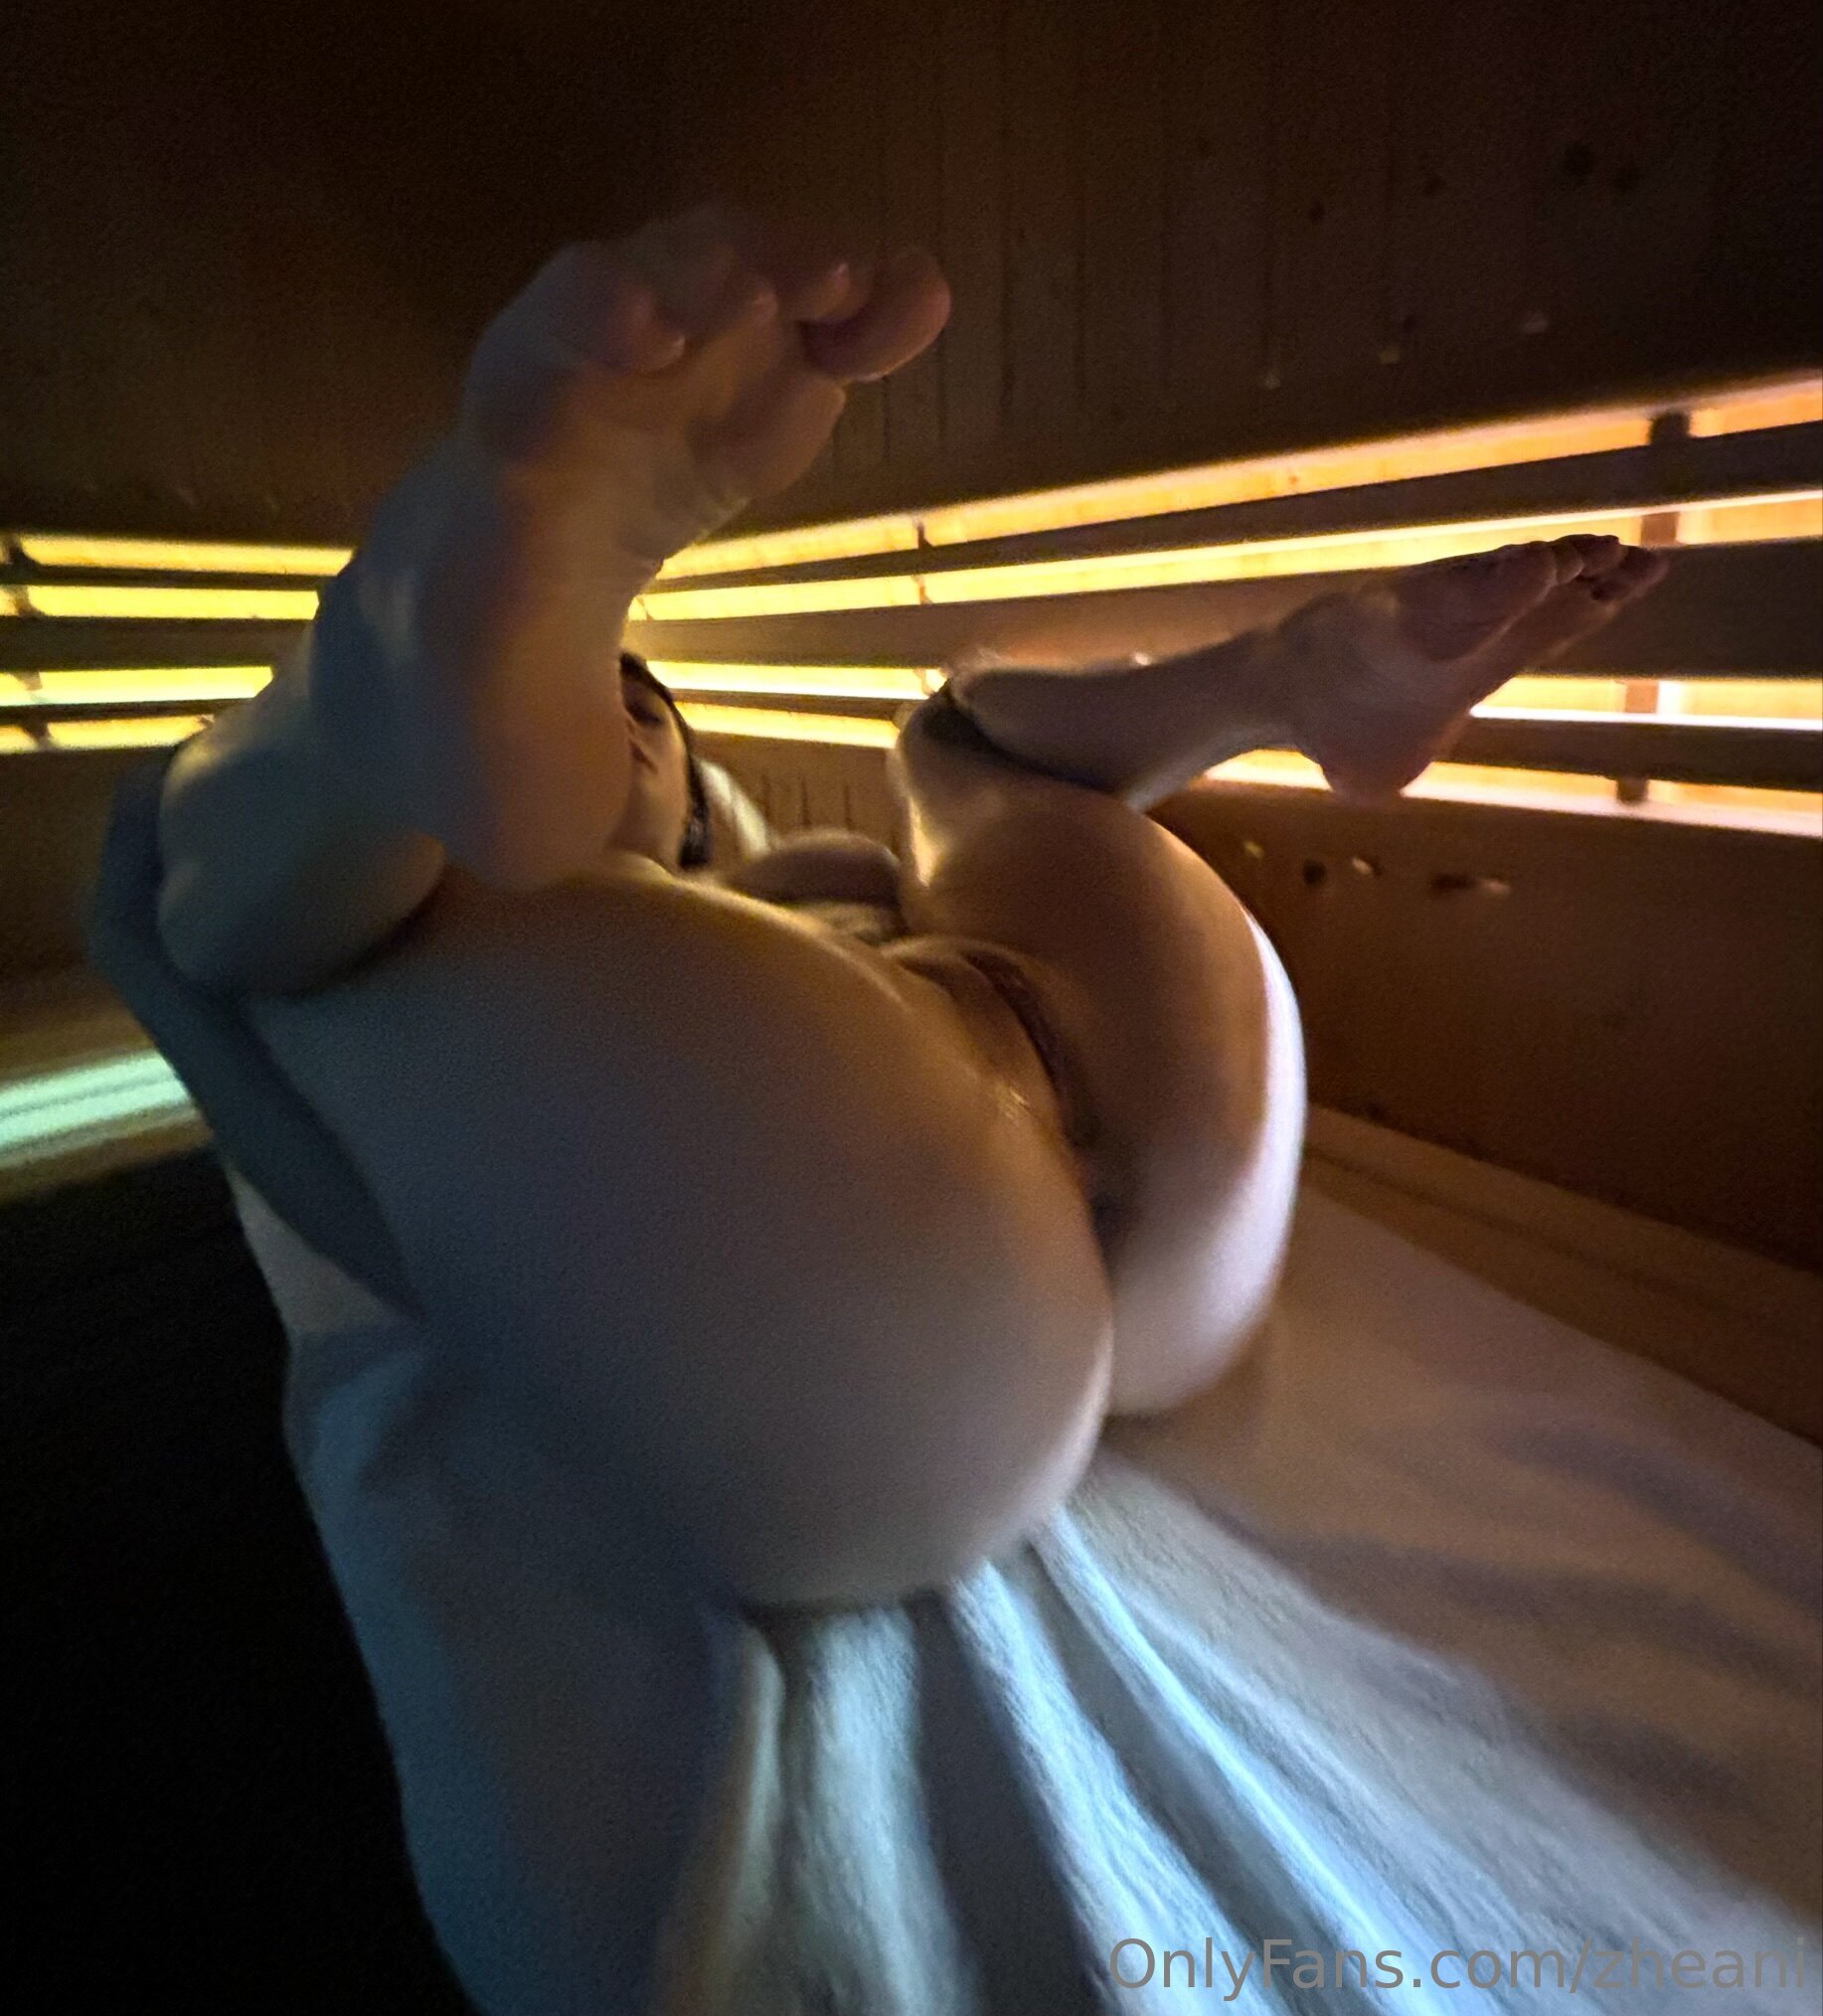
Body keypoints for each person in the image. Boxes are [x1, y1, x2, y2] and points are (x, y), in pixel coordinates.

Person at [151, 203, 1670, 1613]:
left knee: (939, 748)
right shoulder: (601, 955)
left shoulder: (686, 939)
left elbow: (382, 1203)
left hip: (1006, 1236)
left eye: (638, 713)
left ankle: (1286, 677)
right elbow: (368, 1194)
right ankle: (373, 719)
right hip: (1105, 1260)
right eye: (595, 702)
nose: (627, 720)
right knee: (298, 926)